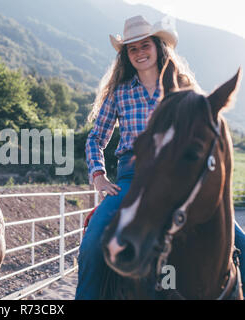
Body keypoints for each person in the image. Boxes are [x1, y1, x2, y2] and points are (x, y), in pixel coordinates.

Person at [76, 15, 245, 299]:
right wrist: (99, 175)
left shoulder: (185, 90)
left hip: (180, 175)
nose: (140, 52)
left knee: (239, 240)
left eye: (145, 46)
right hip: (133, 176)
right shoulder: (120, 94)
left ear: (158, 48)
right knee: (93, 241)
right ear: (126, 57)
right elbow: (95, 138)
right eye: (133, 49)